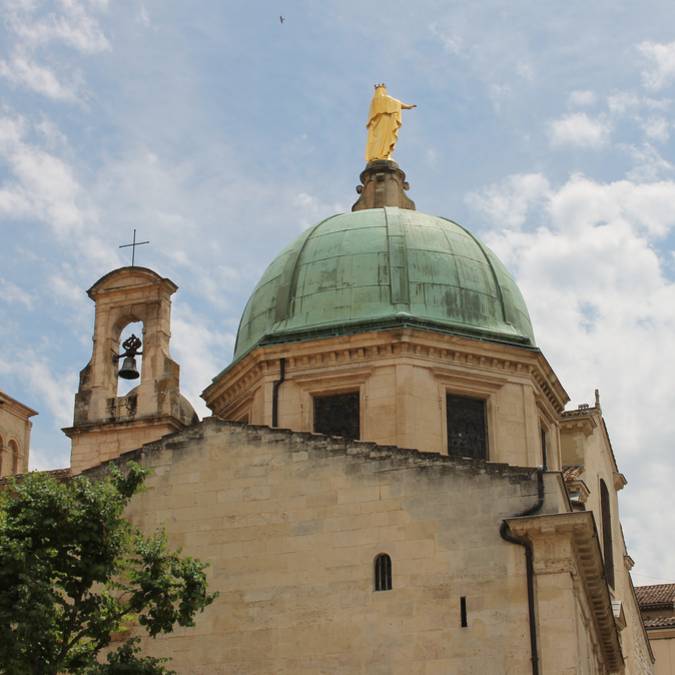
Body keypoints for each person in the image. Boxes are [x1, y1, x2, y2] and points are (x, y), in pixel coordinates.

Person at [365, 84, 416, 163]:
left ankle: (383, 154)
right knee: (381, 139)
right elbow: (396, 102)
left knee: (381, 139)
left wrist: (407, 107)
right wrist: (407, 106)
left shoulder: (375, 100)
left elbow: (394, 102)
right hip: (383, 123)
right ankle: (381, 155)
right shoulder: (381, 99)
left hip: (383, 123)